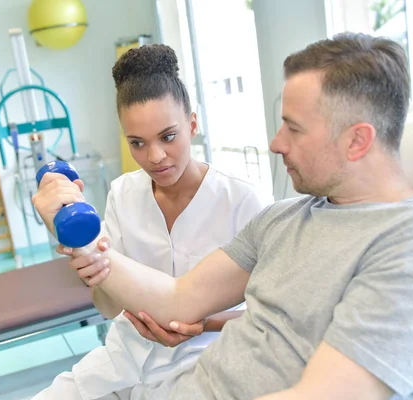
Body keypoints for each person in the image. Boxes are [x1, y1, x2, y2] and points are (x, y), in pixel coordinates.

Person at [62, 33, 413, 399]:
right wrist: (84, 243)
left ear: (357, 140)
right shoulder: (283, 219)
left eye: (293, 129)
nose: (276, 144)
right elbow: (179, 299)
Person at [31, 44, 267, 399]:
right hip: (124, 358)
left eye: (168, 137)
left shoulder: (243, 199)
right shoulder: (123, 193)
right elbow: (108, 307)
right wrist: (86, 257)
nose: (155, 157)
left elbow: (273, 318)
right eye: (137, 143)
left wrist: (204, 323)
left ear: (192, 124)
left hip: (207, 358)